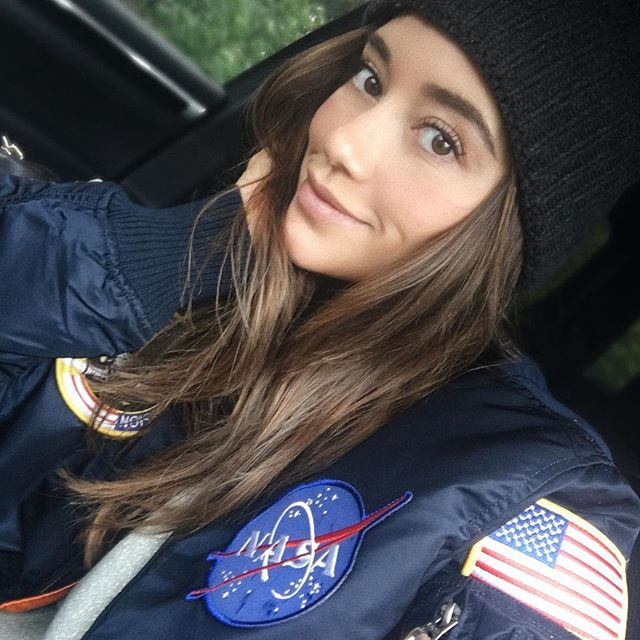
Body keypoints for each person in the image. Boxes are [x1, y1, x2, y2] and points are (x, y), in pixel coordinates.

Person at [0, 1, 639, 638]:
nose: (343, 140)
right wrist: (178, 258)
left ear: (509, 232)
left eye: (440, 140)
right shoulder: (210, 295)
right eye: (370, 79)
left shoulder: (530, 504)